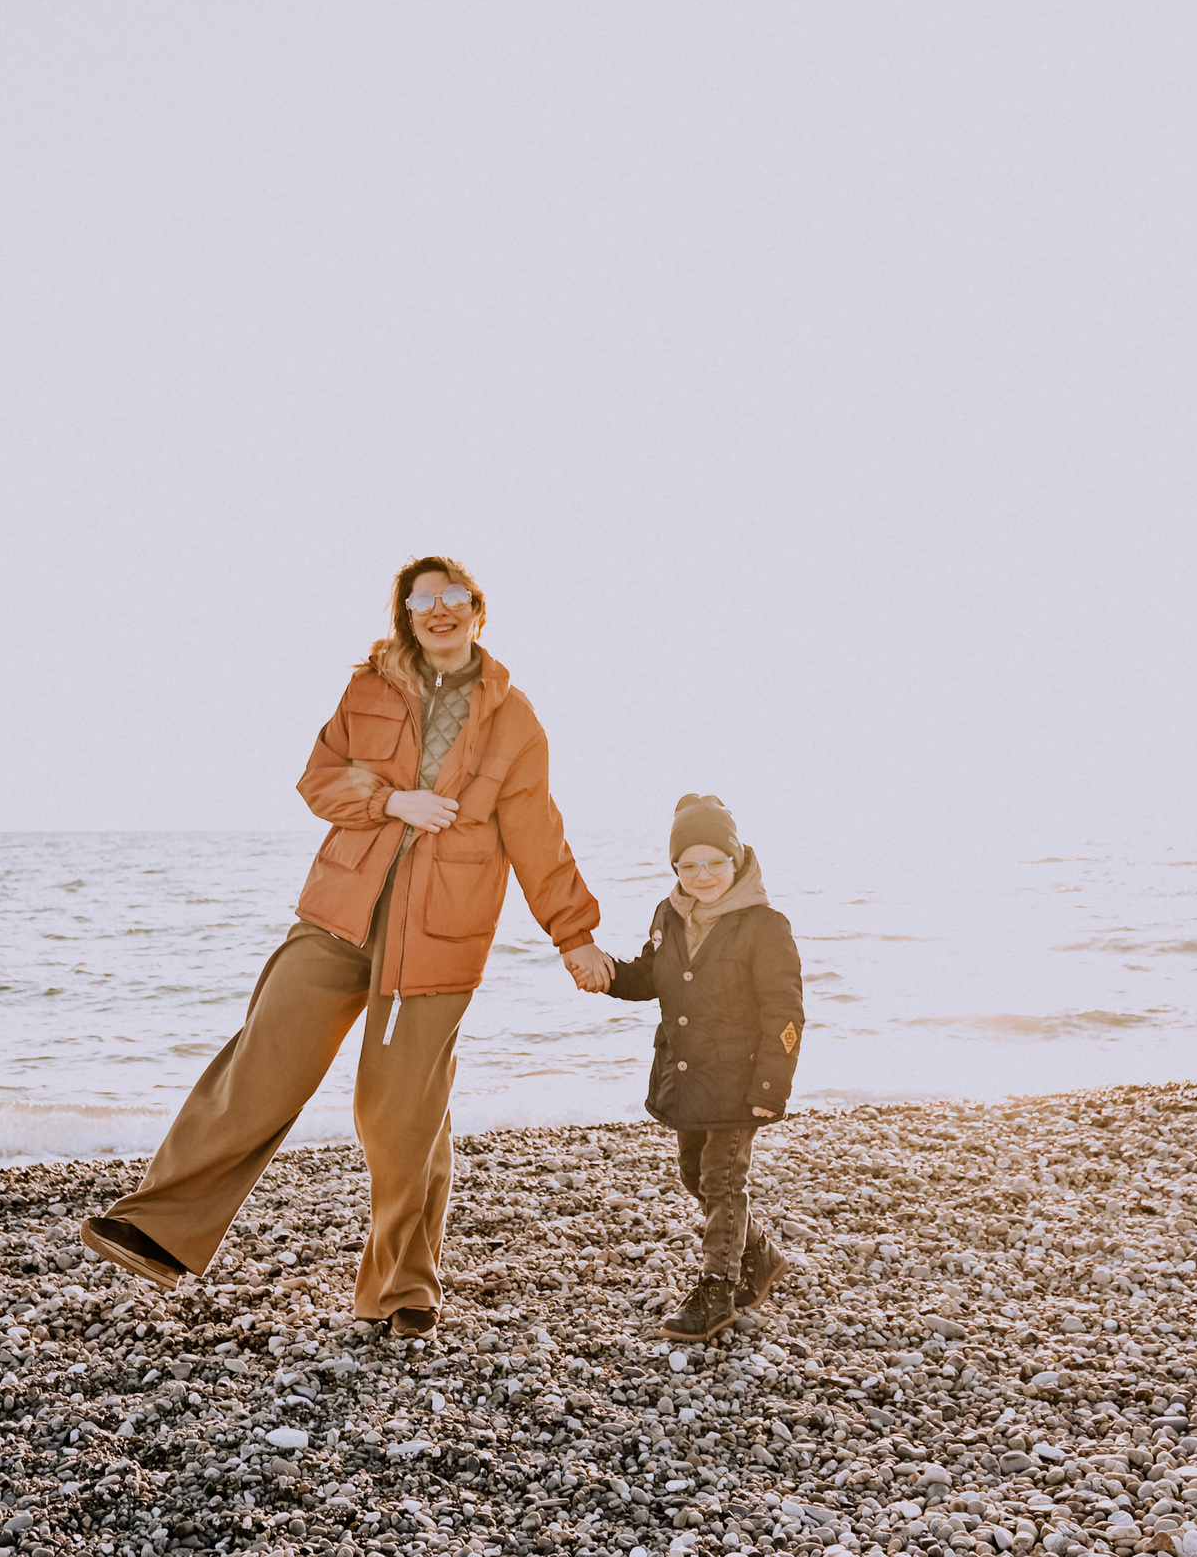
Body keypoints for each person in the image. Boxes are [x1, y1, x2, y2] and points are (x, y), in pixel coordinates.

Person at [82, 556, 614, 1338]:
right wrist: (390, 799)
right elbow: (319, 780)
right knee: (264, 1059)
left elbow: (537, 833)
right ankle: (159, 1228)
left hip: (439, 935)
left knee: (401, 1117)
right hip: (338, 914)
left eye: (453, 597)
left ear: (479, 611)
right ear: (406, 612)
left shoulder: (514, 718)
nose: (439, 609)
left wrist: (574, 935)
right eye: (422, 599)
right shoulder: (368, 688)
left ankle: (402, 1292)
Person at [599, 794, 805, 1342]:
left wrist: (770, 1087)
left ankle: (718, 1289)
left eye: (714, 862)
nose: (702, 875)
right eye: (688, 865)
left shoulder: (765, 926)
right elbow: (651, 977)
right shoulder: (669, 915)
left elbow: (785, 1014)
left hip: (739, 1083)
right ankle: (759, 1251)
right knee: (693, 1174)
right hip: (687, 1076)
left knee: (722, 1178)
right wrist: (606, 974)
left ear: (736, 861)